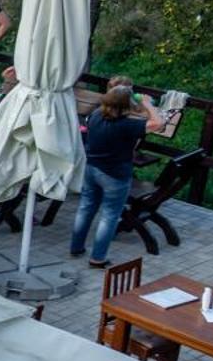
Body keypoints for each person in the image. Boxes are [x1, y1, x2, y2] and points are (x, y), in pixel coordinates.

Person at [70, 85, 175, 268]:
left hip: (91, 169)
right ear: (127, 106)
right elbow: (158, 124)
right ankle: (97, 258)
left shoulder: (95, 116)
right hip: (114, 176)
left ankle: (76, 247)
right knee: (109, 216)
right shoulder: (126, 125)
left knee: (86, 208)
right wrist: (147, 104)